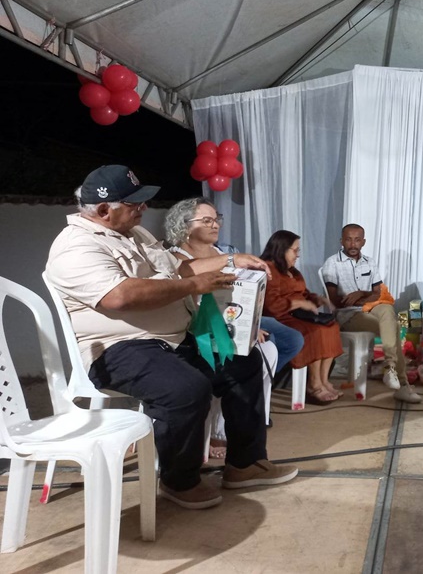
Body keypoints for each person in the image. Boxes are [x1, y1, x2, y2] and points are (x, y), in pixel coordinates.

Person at [45, 165, 298, 511]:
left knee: (243, 359)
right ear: (104, 210)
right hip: (118, 349)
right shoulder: (75, 247)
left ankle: (245, 464)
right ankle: (179, 480)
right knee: (185, 388)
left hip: (173, 340)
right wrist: (194, 285)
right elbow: (120, 296)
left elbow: (178, 268)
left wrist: (231, 259)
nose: (144, 208)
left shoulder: (135, 233)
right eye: (134, 203)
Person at [164, 197, 306, 456]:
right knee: (239, 358)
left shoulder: (221, 252)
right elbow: (186, 271)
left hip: (230, 323)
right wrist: (231, 259)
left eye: (216, 219)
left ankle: (245, 425)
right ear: (184, 227)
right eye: (206, 220)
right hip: (196, 333)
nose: (215, 224)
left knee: (270, 349)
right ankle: (218, 434)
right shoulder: (175, 256)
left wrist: (250, 326)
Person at [322, 224, 422, 404]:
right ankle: (402, 383)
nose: (353, 244)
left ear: (364, 242)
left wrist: (361, 294)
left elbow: (378, 293)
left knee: (387, 309)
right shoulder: (332, 263)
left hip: (368, 307)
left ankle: (390, 367)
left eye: (357, 240)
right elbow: (335, 300)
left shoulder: (369, 262)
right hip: (347, 315)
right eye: (348, 239)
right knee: (393, 326)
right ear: (341, 241)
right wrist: (362, 299)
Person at [260, 230, 344, 405]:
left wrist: (317, 299)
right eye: (295, 250)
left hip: (297, 315)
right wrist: (298, 303)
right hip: (281, 317)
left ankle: (323, 381)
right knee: (314, 331)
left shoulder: (293, 271)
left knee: (331, 326)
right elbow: (271, 306)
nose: (298, 255)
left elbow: (304, 294)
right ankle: (313, 385)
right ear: (281, 249)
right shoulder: (269, 269)